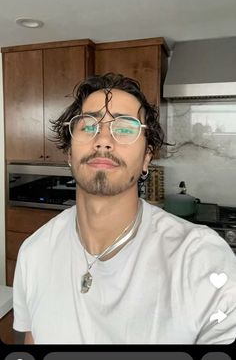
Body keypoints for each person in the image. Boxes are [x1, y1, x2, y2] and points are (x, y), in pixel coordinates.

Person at [13, 73, 236, 344]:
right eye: (88, 125)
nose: (103, 140)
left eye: (126, 127)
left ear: (146, 158)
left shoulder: (202, 260)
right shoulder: (33, 253)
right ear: (69, 154)